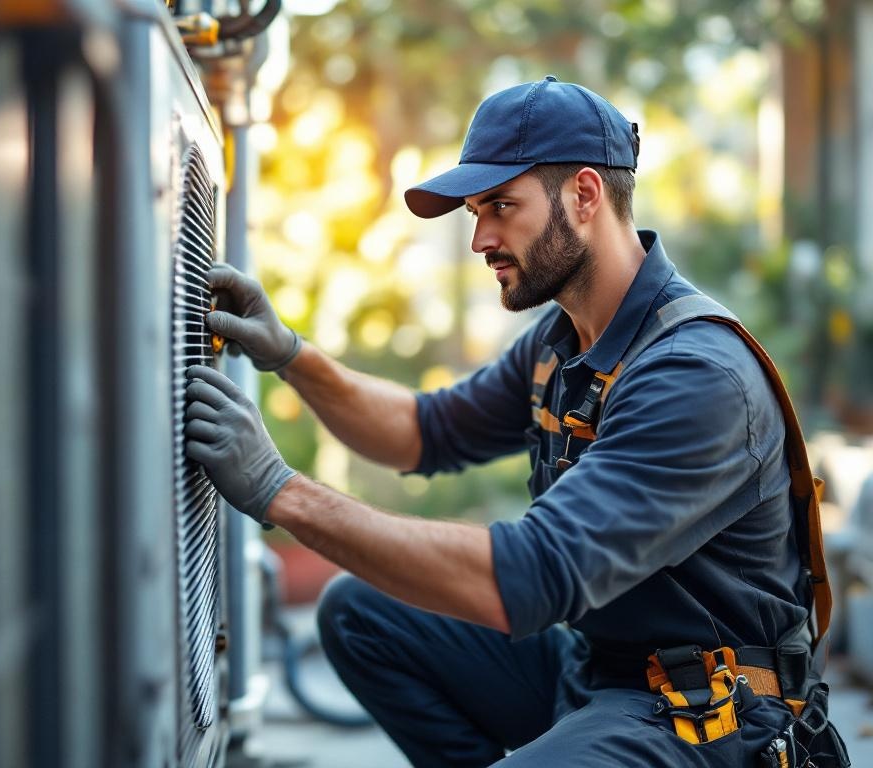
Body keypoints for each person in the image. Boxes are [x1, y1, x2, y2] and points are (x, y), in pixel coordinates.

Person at [184, 77, 848, 766]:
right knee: (360, 613)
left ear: (585, 197)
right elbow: (423, 432)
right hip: (598, 672)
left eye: (501, 207)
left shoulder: (696, 376)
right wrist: (289, 354)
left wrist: (277, 491)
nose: (480, 239)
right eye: (476, 211)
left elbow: (529, 577)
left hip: (712, 715)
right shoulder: (563, 340)